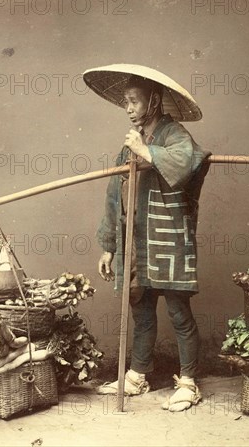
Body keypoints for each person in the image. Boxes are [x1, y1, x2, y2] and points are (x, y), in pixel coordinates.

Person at [93, 72, 211, 412]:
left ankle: (188, 381)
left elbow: (188, 161)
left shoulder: (174, 133)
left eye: (134, 101)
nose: (128, 108)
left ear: (153, 101)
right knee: (141, 311)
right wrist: (110, 246)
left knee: (178, 311)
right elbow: (115, 193)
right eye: (125, 102)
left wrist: (145, 149)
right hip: (137, 241)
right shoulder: (130, 141)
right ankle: (137, 375)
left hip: (168, 236)